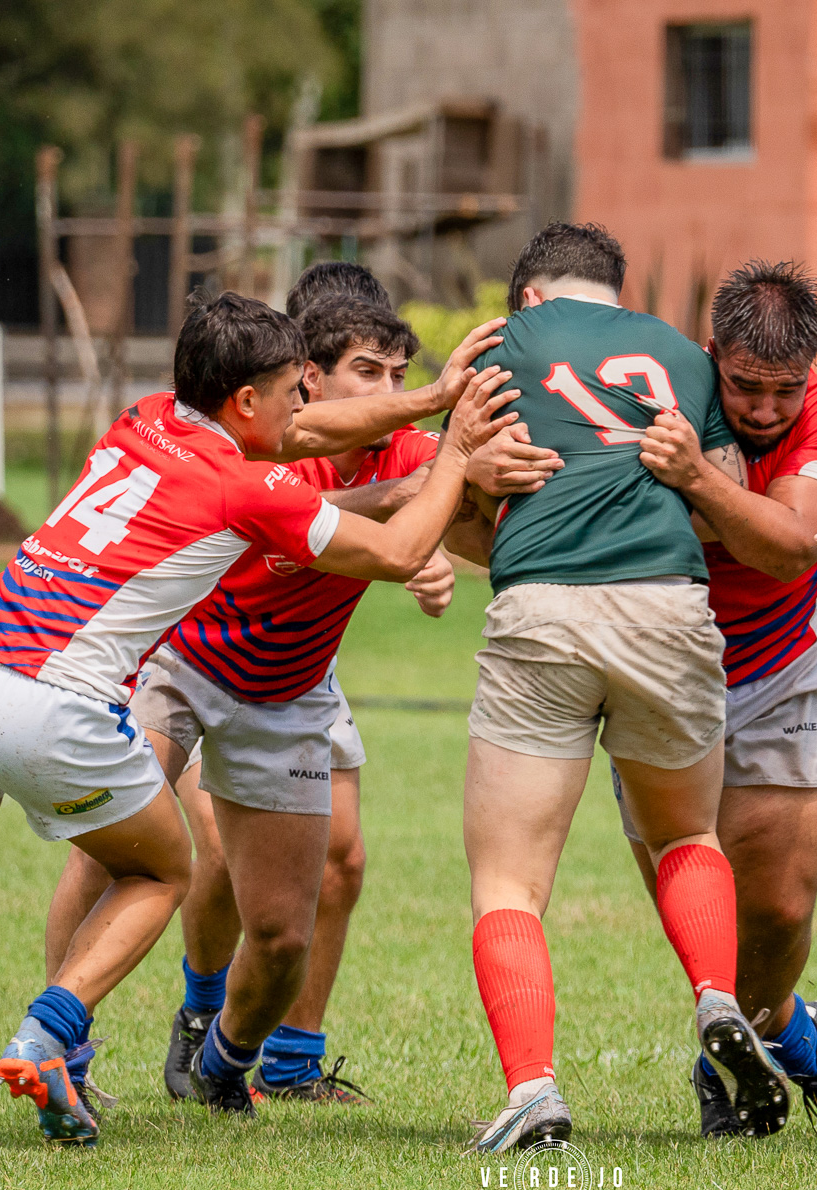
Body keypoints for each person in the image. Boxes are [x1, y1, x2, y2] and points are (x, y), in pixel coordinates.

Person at [0, 291, 510, 1147]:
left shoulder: (149, 416)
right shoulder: (246, 488)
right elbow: (397, 551)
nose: (302, 409)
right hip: (52, 700)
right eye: (289, 392)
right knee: (164, 870)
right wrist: (453, 449)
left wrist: (426, 403)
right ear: (244, 402)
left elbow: (306, 438)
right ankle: (49, 1036)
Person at [42, 291, 540, 1109]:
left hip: (291, 694)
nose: (387, 389)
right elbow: (304, 517)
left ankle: (226, 1063)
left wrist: (540, 503)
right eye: (365, 373)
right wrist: (433, 478)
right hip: (181, 662)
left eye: (399, 374)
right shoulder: (265, 439)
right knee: (108, 849)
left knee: (281, 935)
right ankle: (68, 1053)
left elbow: (477, 532)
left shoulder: (409, 452)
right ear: (307, 379)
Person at [448, 221, 788, 1152]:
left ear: (528, 297)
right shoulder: (681, 352)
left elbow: (456, 490)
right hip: (670, 604)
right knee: (685, 831)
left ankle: (533, 1092)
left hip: (544, 608)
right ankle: (719, 997)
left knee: (509, 881)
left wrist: (505, 513)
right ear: (614, 291)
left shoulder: (497, 347)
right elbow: (717, 498)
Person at [610, 259, 817, 1138]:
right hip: (662, 675)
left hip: (783, 671)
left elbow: (789, 546)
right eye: (744, 387)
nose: (765, 410)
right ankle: (806, 1041)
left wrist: (697, 481)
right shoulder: (662, 391)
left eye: (783, 391)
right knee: (701, 924)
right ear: (711, 354)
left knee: (777, 912)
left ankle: (726, 1059)